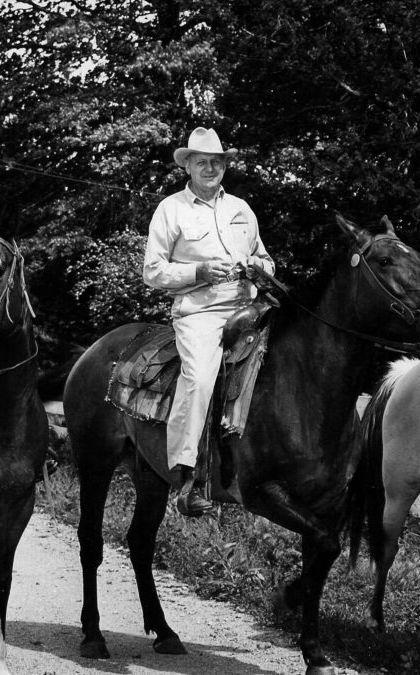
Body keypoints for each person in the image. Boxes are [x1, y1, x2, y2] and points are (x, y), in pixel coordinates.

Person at [143, 127, 275, 517]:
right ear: (188, 166)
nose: (210, 168)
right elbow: (152, 272)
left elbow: (266, 260)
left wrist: (257, 267)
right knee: (200, 378)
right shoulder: (171, 210)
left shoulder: (241, 209)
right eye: (202, 162)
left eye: (216, 162)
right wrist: (198, 272)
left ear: (224, 167)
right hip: (200, 312)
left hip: (249, 308)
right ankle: (187, 477)